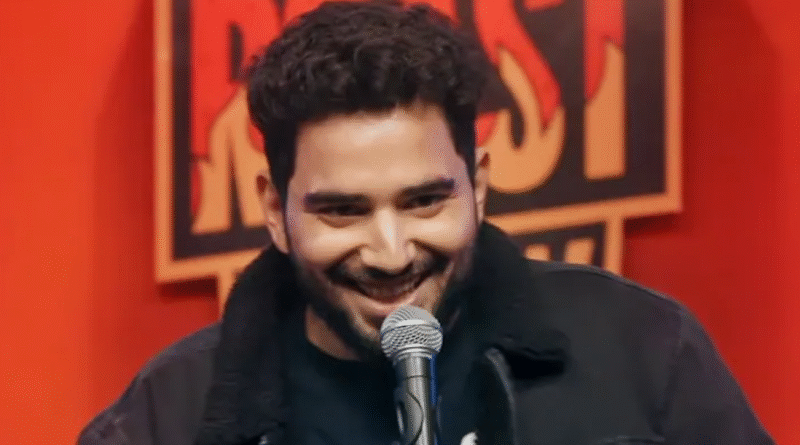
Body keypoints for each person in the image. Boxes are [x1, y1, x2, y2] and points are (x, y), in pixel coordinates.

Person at [78, 2, 774, 444]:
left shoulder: (643, 350)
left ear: (479, 186)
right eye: (343, 210)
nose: (390, 252)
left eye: (423, 202)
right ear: (273, 211)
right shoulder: (167, 417)